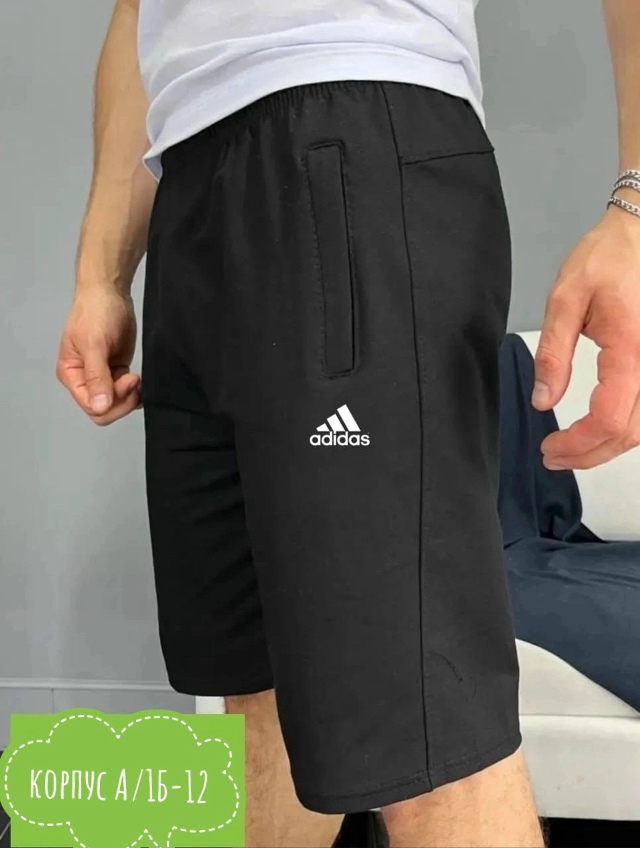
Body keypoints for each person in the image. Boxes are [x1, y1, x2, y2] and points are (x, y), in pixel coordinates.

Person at [55, 1, 640, 846]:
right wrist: (101, 273)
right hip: (192, 188)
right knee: (257, 694)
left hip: (352, 140)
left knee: (427, 736)